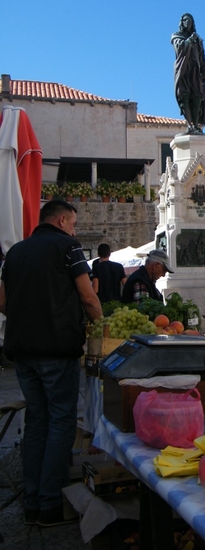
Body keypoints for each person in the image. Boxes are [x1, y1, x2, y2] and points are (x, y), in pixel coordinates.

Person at [0, 200, 102, 527]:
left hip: (22, 351)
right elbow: (87, 296)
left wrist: (24, 319)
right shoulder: (68, 247)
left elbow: (2, 301)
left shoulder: (15, 252)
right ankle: (50, 504)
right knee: (61, 421)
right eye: (73, 223)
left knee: (36, 422)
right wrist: (101, 326)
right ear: (61, 220)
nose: (74, 229)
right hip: (57, 350)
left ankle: (31, 502)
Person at [171, 13, 205, 134]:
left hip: (195, 71)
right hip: (183, 70)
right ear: (182, 23)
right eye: (185, 21)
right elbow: (180, 48)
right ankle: (189, 125)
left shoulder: (198, 40)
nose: (188, 23)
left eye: (190, 21)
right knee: (184, 96)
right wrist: (189, 40)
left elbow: (201, 57)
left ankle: (196, 124)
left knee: (197, 96)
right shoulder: (176, 36)